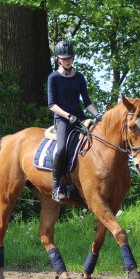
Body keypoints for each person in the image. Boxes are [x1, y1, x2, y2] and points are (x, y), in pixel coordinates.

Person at [47, 40, 101, 201]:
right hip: (62, 120)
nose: (68, 60)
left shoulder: (79, 77)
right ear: (58, 59)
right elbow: (51, 105)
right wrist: (66, 115)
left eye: (70, 57)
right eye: (64, 58)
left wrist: (98, 115)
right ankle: (56, 187)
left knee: (96, 142)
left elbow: (87, 102)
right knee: (62, 148)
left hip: (80, 119)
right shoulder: (53, 78)